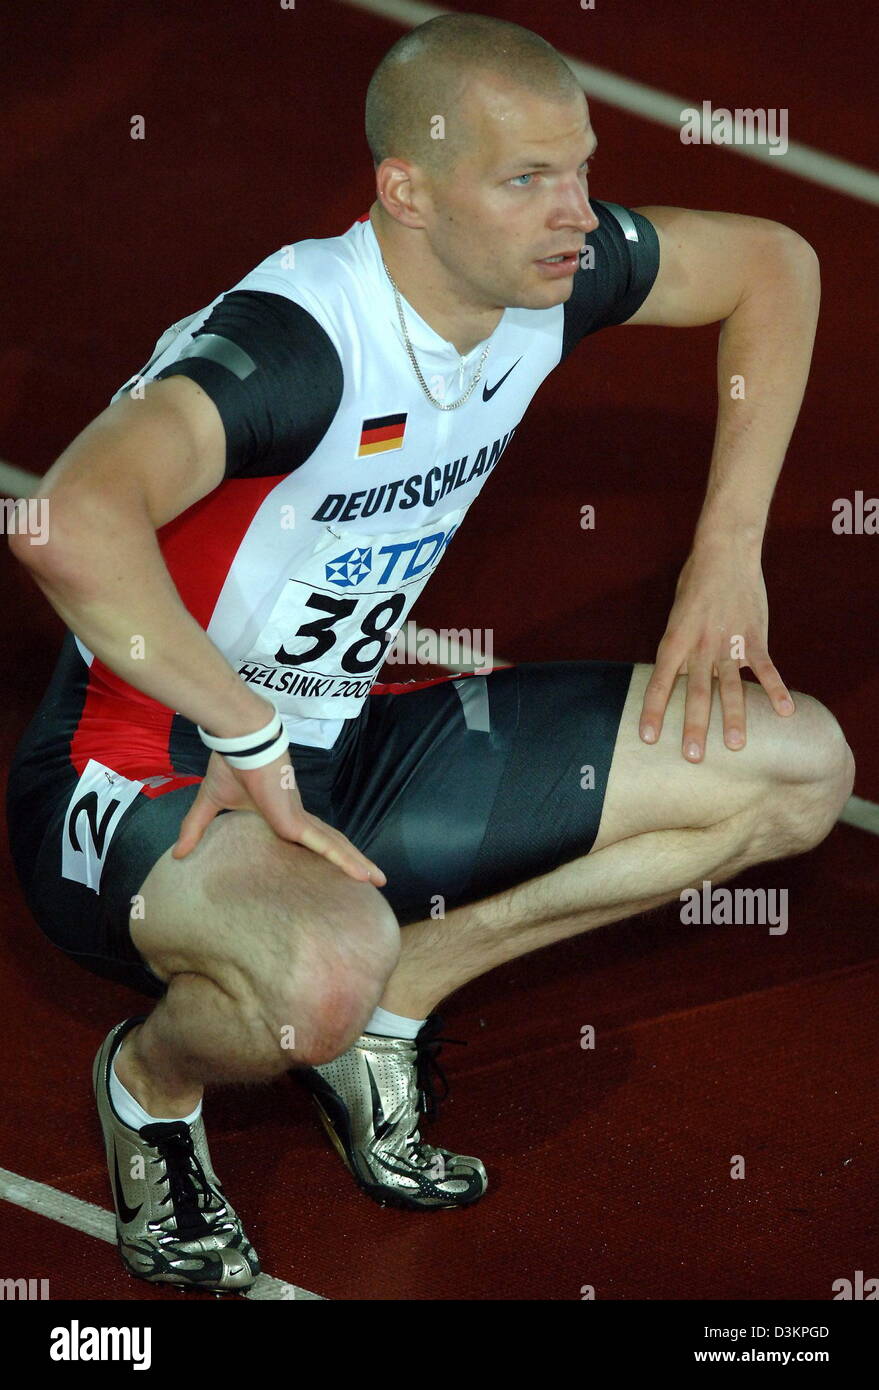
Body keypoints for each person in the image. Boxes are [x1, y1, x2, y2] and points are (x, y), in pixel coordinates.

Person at [6, 12, 854, 1295]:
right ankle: (151, 1087)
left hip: (341, 741)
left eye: (581, 169)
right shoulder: (299, 345)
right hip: (147, 767)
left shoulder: (542, 278)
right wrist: (239, 726)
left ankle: (389, 1013)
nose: (576, 213)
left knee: (798, 769)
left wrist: (726, 551)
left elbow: (775, 263)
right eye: (527, 180)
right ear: (405, 192)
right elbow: (60, 516)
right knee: (315, 966)